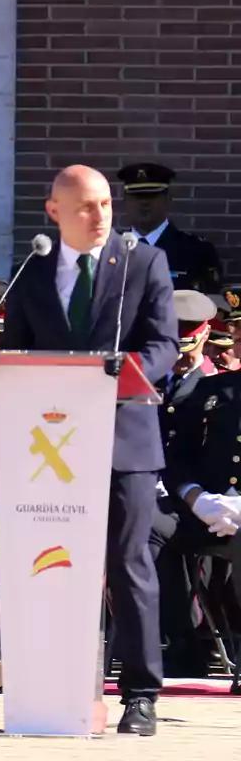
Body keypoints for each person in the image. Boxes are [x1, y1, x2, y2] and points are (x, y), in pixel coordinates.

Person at [0, 164, 177, 735]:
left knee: (129, 565)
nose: (100, 216)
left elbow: (163, 344)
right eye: (85, 207)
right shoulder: (30, 271)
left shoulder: (143, 263)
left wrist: (117, 375)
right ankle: (57, 689)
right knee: (51, 563)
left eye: (105, 204)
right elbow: (17, 354)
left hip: (124, 439)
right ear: (53, 212)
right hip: (51, 447)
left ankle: (141, 694)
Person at [150, 289, 231, 677]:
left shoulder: (212, 386)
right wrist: (193, 496)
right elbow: (176, 454)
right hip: (185, 496)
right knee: (150, 527)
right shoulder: (155, 379)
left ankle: (205, 636)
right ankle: (178, 640)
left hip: (220, 502)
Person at [117, 162, 221, 292]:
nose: (144, 202)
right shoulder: (109, 250)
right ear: (125, 201)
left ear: (168, 199)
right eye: (137, 196)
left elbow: (210, 303)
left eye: (152, 195)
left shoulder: (197, 251)